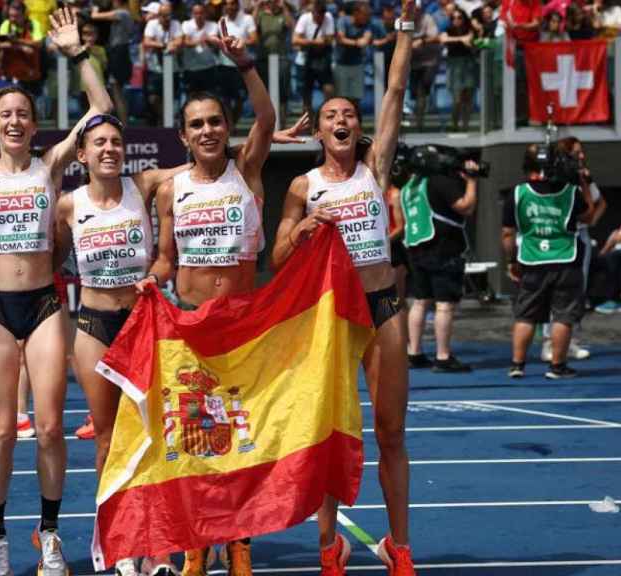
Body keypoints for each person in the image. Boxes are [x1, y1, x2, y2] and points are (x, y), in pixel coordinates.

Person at [0, 8, 113, 576]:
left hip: (47, 303)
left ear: (34, 121)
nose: (17, 121)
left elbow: (102, 112)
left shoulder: (50, 167)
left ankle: (48, 534)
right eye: (7, 114)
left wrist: (77, 55)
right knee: (1, 430)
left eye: (24, 113)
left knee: (49, 426)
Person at [270, 0, 418, 572]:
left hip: (380, 306)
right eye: (332, 114)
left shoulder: (374, 167)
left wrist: (403, 32)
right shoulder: (303, 186)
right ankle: (329, 547)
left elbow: (397, 93)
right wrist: (302, 230)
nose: (342, 120)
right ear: (319, 128)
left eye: (349, 114)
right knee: (333, 434)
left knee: (390, 429)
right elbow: (279, 254)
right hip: (331, 316)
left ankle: (398, 546)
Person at [137, 17, 285, 576]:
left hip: (245, 325)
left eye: (215, 122)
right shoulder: (172, 189)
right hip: (193, 326)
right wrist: (153, 276)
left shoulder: (247, 171)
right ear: (184, 135)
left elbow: (267, 119)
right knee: (199, 436)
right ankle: (198, 541)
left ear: (228, 127)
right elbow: (167, 258)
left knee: (244, 437)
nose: (207, 131)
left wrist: (245, 63)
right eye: (196, 125)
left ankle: (238, 540)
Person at [52, 113, 190, 576]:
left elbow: (204, 162)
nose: (109, 148)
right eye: (99, 143)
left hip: (141, 324)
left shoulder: (143, 183)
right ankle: (122, 542)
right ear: (83, 154)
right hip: (92, 326)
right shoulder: (68, 206)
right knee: (108, 438)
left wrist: (265, 136)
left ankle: (160, 548)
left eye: (116, 141)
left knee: (153, 438)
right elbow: (48, 261)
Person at [503, 144, 594, 380]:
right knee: (562, 315)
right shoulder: (570, 191)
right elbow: (589, 216)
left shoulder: (518, 192)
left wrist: (511, 260)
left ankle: (517, 364)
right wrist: (583, 182)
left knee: (525, 314)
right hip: (565, 258)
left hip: (532, 258)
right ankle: (557, 366)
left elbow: (507, 233)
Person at [401, 161, 480, 373]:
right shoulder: (439, 181)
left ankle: (414, 352)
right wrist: (472, 181)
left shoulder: (411, 185)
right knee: (444, 305)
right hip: (442, 248)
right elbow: (466, 206)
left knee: (420, 302)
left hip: (416, 247)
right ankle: (443, 356)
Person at [539, 137, 605, 361]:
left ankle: (572, 340)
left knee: (577, 290)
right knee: (553, 290)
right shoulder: (552, 178)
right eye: (577, 152)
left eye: (582, 152)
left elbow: (598, 203)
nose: (582, 156)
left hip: (579, 237)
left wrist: (589, 220)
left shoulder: (582, 177)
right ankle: (549, 342)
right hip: (556, 239)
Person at [90, 0, 137, 121]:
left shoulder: (122, 13)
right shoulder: (128, 14)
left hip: (119, 53)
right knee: (116, 91)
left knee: (117, 92)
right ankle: (121, 122)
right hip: (120, 53)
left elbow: (94, 16)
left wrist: (95, 6)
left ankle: (123, 125)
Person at [218, 0, 259, 128]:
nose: (230, 6)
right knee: (226, 100)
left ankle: (232, 124)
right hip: (225, 65)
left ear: (237, 5)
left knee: (240, 99)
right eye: (227, 4)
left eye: (232, 3)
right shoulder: (222, 21)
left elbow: (254, 39)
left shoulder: (247, 19)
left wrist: (236, 41)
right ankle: (230, 128)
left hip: (242, 65)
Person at [253, 0, 294, 126]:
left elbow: (291, 25)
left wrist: (284, 7)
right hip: (263, 58)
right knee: (264, 92)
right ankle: (264, 123)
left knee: (283, 92)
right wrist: (257, 6)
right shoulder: (261, 15)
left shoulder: (283, 14)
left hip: (281, 58)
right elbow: (250, 26)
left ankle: (282, 122)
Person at [143, 2, 183, 126]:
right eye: (164, 15)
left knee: (171, 98)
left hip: (173, 68)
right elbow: (147, 42)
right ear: (158, 15)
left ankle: (168, 122)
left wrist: (173, 44)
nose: (167, 18)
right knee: (153, 98)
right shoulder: (152, 24)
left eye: (169, 15)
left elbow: (179, 41)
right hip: (155, 68)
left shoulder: (176, 24)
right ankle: (164, 119)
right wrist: (164, 45)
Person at [293, 1, 335, 115]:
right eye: (317, 15)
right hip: (305, 60)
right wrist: (313, 42)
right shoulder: (304, 18)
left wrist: (323, 41)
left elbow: (330, 38)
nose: (319, 18)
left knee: (329, 90)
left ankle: (325, 117)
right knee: (306, 95)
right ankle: (310, 125)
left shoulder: (328, 17)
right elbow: (295, 40)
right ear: (313, 13)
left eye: (322, 15)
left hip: (323, 59)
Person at [0, 1, 45, 95]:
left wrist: (17, 41)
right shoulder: (6, 24)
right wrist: (21, 47)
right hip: (11, 74)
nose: (12, 19)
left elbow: (38, 44)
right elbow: (0, 43)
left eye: (15, 16)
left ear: (24, 14)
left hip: (30, 74)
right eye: (10, 16)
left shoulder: (33, 25)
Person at [441, 8, 476, 132]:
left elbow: (472, 42)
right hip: (454, 66)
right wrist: (461, 39)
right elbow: (443, 39)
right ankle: (454, 123)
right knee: (457, 99)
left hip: (468, 64)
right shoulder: (448, 30)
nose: (456, 20)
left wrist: (468, 41)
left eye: (459, 17)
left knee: (468, 98)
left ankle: (465, 125)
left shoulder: (470, 30)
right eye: (454, 18)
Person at [334, 1, 373, 106]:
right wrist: (356, 42)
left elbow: (366, 39)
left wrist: (356, 42)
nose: (366, 17)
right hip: (341, 64)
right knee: (342, 98)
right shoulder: (343, 21)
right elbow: (340, 39)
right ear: (356, 13)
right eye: (364, 15)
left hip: (357, 65)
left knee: (356, 98)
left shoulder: (367, 24)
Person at [409, 7, 440, 131]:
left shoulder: (428, 19)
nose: (415, 12)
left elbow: (435, 37)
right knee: (415, 94)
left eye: (417, 10)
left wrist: (422, 41)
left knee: (422, 91)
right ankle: (418, 118)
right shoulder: (406, 20)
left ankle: (419, 123)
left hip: (429, 62)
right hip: (414, 64)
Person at [181, 3, 221, 95]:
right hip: (190, 69)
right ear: (192, 14)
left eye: (201, 13)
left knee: (210, 97)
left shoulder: (213, 25)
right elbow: (186, 42)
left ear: (205, 13)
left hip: (209, 68)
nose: (199, 15)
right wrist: (202, 39)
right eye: (196, 13)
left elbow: (214, 43)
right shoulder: (186, 24)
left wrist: (194, 40)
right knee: (191, 98)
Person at [595, 223, 621, 313]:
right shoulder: (617, 231)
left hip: (617, 254)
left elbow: (618, 237)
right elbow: (615, 237)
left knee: (613, 256)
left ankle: (614, 300)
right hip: (614, 251)